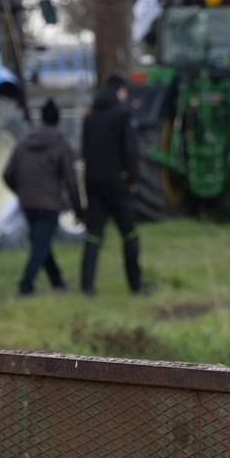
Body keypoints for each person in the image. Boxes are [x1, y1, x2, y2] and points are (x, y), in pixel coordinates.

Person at [2, 99, 81, 296]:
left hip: (28, 204)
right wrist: (79, 209)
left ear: (41, 119)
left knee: (42, 242)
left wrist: (21, 193)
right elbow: (71, 181)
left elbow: (7, 174)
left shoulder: (23, 144)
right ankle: (25, 286)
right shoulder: (60, 145)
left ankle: (57, 282)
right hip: (49, 204)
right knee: (40, 245)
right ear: (58, 121)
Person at [79, 73, 147, 296]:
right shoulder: (123, 114)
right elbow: (130, 149)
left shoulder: (90, 117)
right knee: (129, 233)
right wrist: (133, 180)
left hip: (93, 182)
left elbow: (85, 150)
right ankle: (135, 285)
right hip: (117, 183)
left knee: (94, 234)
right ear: (121, 90)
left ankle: (87, 285)